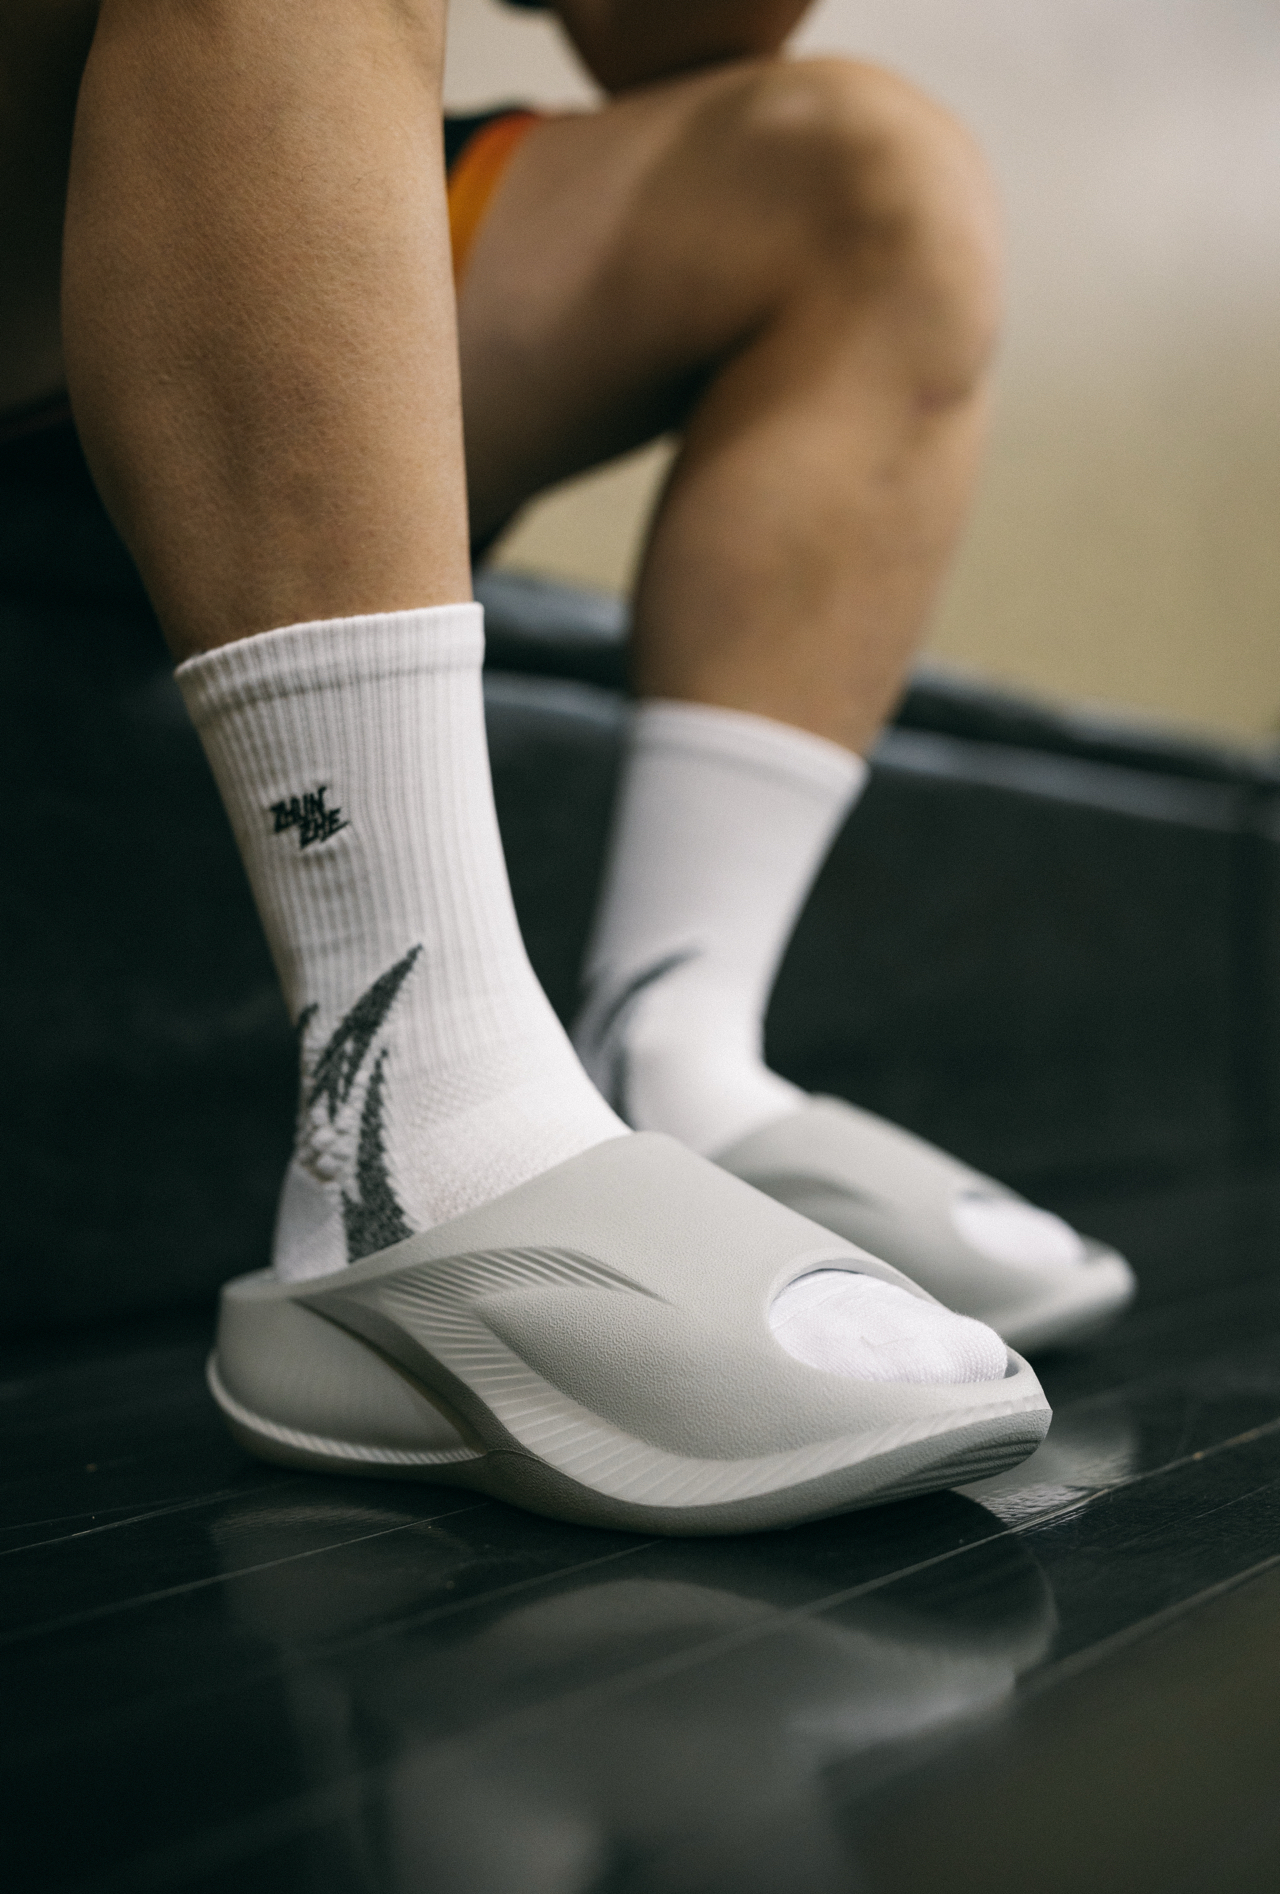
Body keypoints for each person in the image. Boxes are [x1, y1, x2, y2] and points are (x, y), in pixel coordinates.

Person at [0, 0, 1102, 1533]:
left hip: (196, 175)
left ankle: (668, 1052)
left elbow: (672, 40)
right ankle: (405, 1133)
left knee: (867, 178)